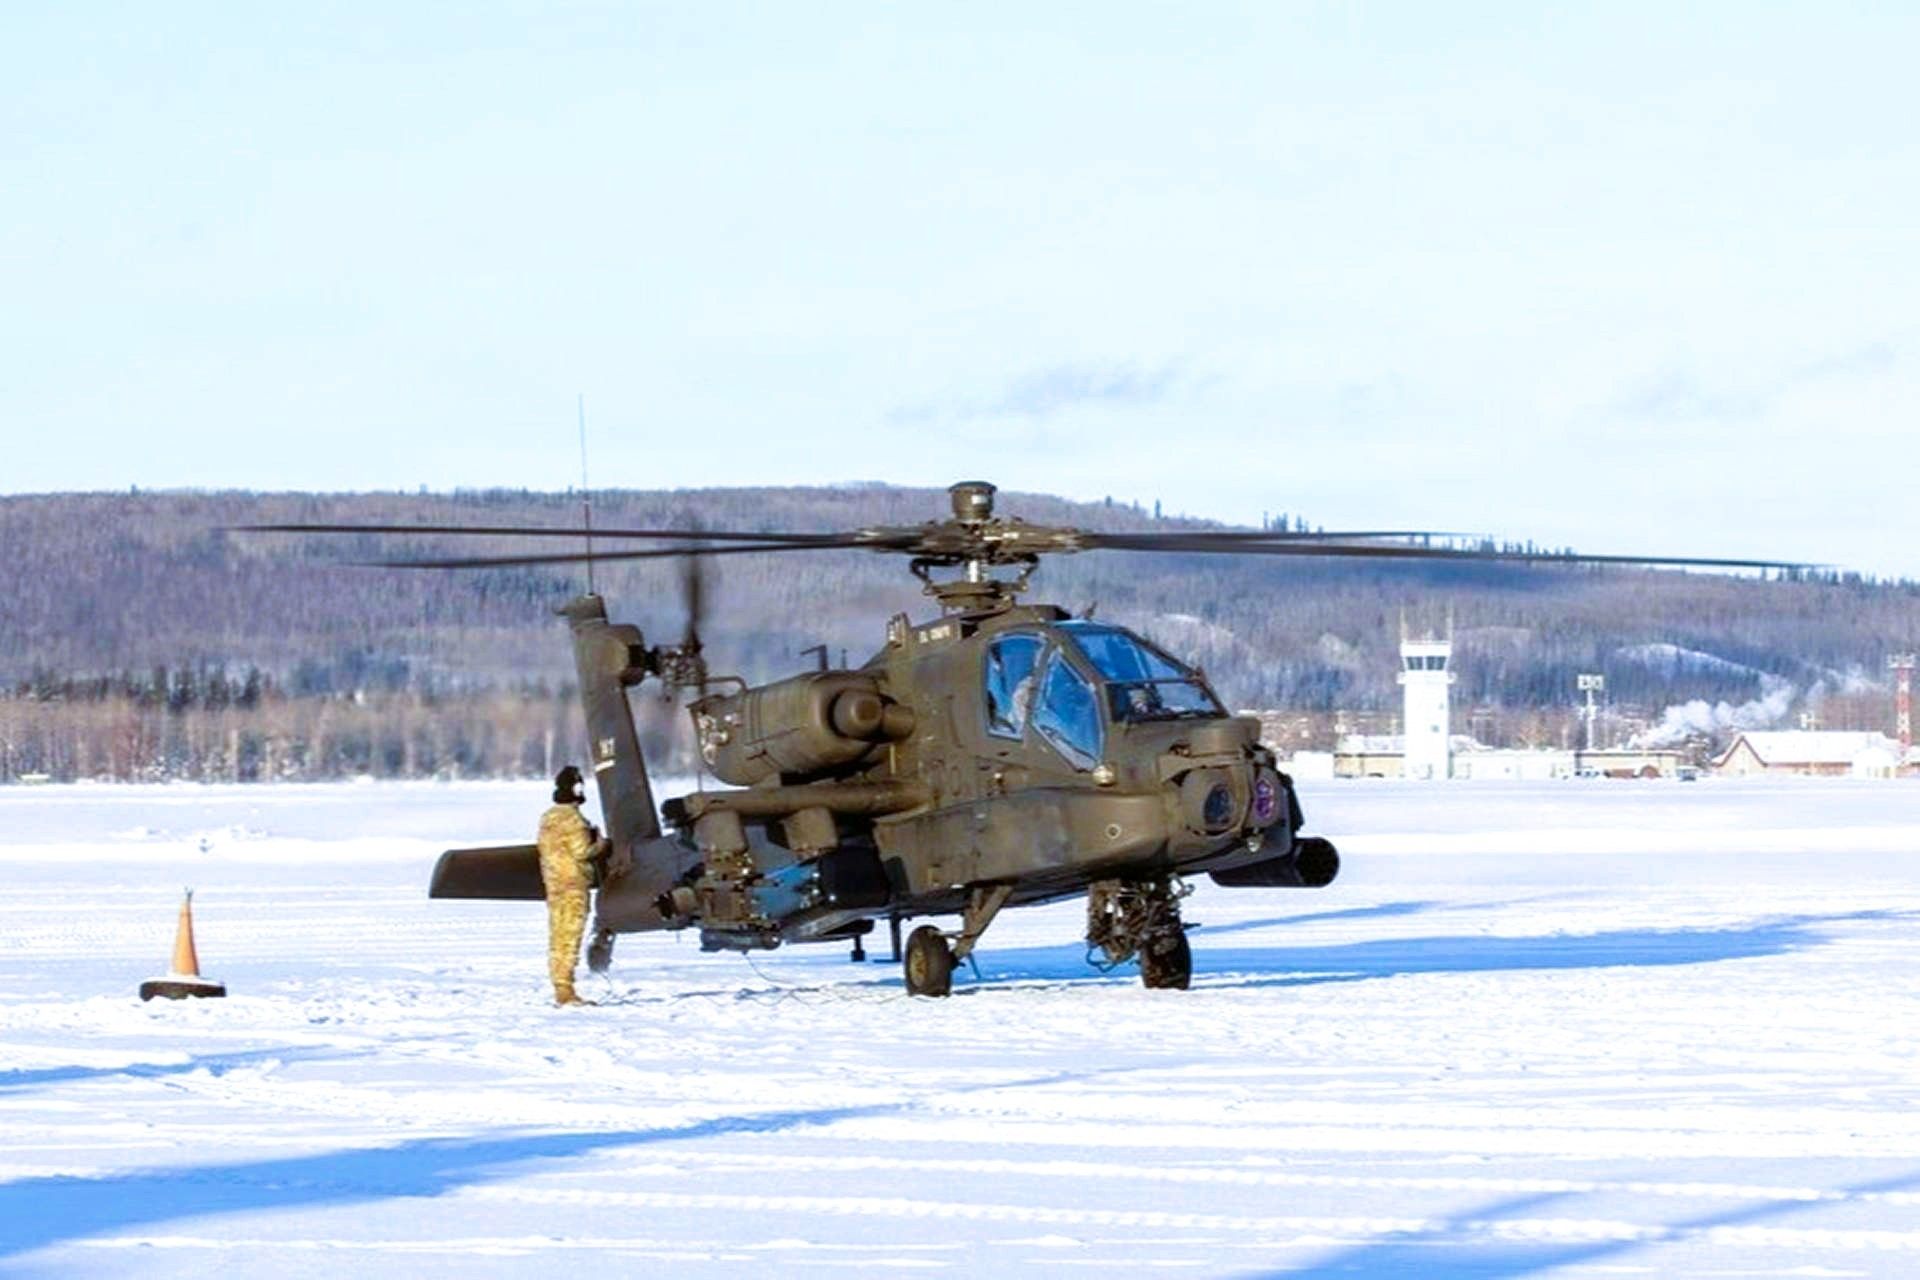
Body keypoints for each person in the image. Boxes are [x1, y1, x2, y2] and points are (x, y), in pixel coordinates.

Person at [537, 765, 601, 1006]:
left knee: (557, 935)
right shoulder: (573, 820)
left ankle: (560, 985)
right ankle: (566, 990)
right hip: (573, 885)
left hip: (554, 885)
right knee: (570, 936)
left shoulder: (548, 817)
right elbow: (582, 851)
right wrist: (599, 843)